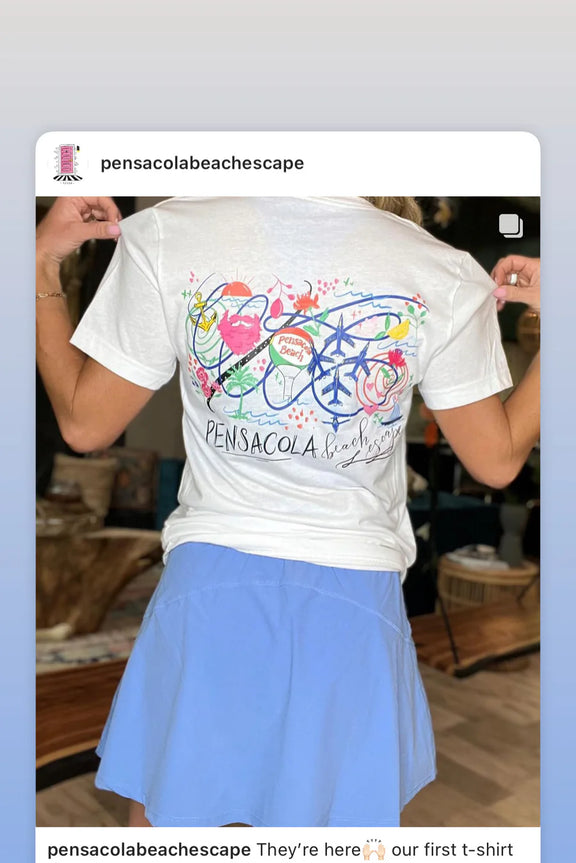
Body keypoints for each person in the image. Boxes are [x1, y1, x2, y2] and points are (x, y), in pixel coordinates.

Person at [36, 196, 540, 828]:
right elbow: (498, 461)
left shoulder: (167, 232)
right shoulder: (445, 270)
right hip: (353, 597)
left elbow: (84, 424)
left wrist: (41, 262)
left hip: (210, 585)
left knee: (171, 845)